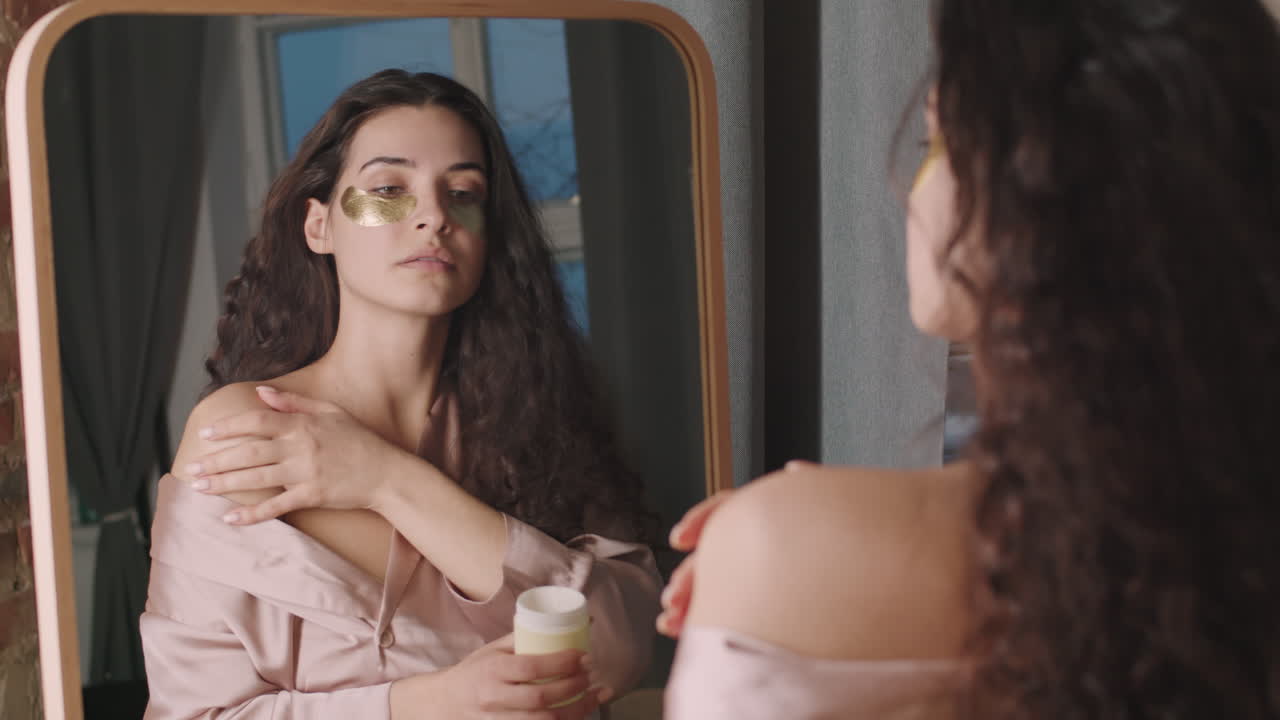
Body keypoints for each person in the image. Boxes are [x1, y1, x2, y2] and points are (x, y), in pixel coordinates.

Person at [660, 0, 1280, 718]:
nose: (914, 191)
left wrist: (783, 543)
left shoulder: (785, 547)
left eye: (935, 140)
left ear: (1030, 196)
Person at [139, 69, 663, 720]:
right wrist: (425, 703)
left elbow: (614, 653)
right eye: (389, 189)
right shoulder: (246, 429)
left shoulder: (541, 421)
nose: (434, 216)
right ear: (319, 226)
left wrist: (387, 479)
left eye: (464, 192)